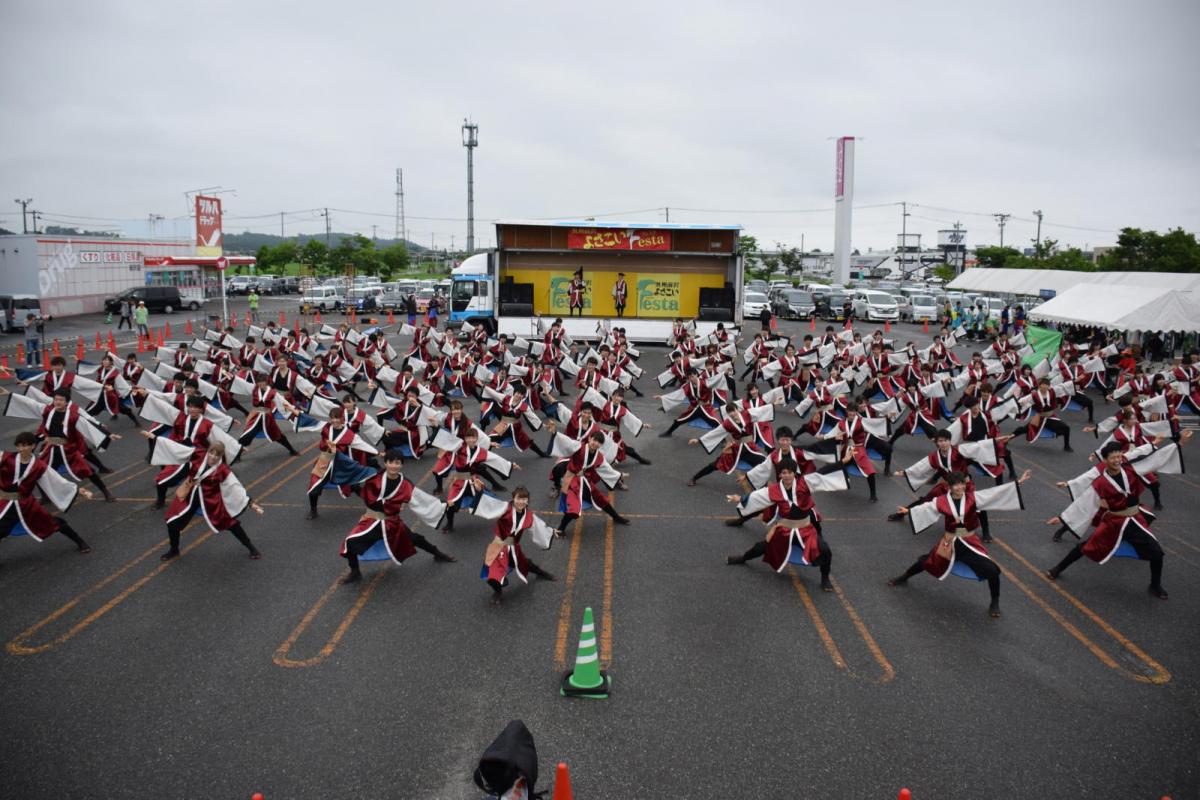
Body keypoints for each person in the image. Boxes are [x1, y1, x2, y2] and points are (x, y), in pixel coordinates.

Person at [889, 470, 1031, 618]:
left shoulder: (973, 498)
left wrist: (1019, 482)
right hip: (949, 542)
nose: (960, 487)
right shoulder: (941, 501)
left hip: (969, 543)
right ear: (949, 486)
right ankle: (904, 577)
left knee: (992, 571)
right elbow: (927, 507)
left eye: (962, 484)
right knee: (926, 561)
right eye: (956, 485)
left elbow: (994, 493)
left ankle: (994, 602)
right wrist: (908, 511)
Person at [1046, 442, 1168, 598]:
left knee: (1157, 553)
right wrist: (1062, 518)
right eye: (1113, 457)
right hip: (1114, 522)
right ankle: (1057, 569)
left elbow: (1149, 457)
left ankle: (1155, 585)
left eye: (1118, 456)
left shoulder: (1130, 469)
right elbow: (1085, 502)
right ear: (1105, 460)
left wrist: (1177, 443)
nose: (1117, 460)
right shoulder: (1100, 482)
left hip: (1135, 520)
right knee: (1086, 546)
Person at [339, 449, 456, 584]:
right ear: (385, 463)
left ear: (401, 465)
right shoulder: (374, 477)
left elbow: (422, 499)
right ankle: (355, 572)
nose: (394, 466)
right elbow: (353, 471)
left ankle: (438, 554)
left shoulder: (405, 485)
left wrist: (444, 504)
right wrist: (336, 454)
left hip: (391, 523)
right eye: (391, 462)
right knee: (350, 542)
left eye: (397, 463)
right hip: (371, 521)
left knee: (415, 539)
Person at [723, 460, 839, 590]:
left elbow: (821, 474)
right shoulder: (774, 490)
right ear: (780, 475)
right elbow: (757, 496)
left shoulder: (805, 483)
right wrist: (741, 499)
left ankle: (825, 578)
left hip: (805, 530)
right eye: (784, 472)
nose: (787, 475)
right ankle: (743, 558)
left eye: (790, 472)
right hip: (785, 529)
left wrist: (843, 462)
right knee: (761, 546)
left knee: (825, 550)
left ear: (794, 473)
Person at [0, 431, 94, 558]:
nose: (21, 449)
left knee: (53, 524)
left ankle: (79, 540)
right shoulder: (6, 457)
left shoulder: (39, 466)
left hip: (26, 505)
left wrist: (77, 490)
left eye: (25, 445)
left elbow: (56, 479)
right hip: (4, 502)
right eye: (19, 446)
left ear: (33, 446)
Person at [480, 486, 557, 605]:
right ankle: (498, 592)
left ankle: (542, 573)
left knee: (524, 563)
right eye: (518, 498)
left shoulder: (529, 515)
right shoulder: (505, 508)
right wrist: (480, 491)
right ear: (513, 498)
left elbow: (539, 526)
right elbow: (491, 502)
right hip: (498, 545)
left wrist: (551, 531)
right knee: (491, 573)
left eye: (524, 499)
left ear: (528, 501)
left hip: (513, 546)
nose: (521, 502)